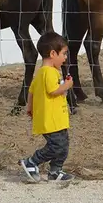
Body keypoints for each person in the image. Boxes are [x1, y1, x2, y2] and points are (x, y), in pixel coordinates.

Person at [19, 31, 75, 182]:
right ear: (52, 53)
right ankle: (31, 162)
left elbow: (31, 91)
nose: (65, 58)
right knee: (56, 146)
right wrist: (67, 85)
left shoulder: (41, 73)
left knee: (63, 146)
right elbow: (54, 90)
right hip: (51, 120)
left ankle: (55, 171)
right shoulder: (49, 72)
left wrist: (30, 108)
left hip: (57, 118)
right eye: (63, 54)